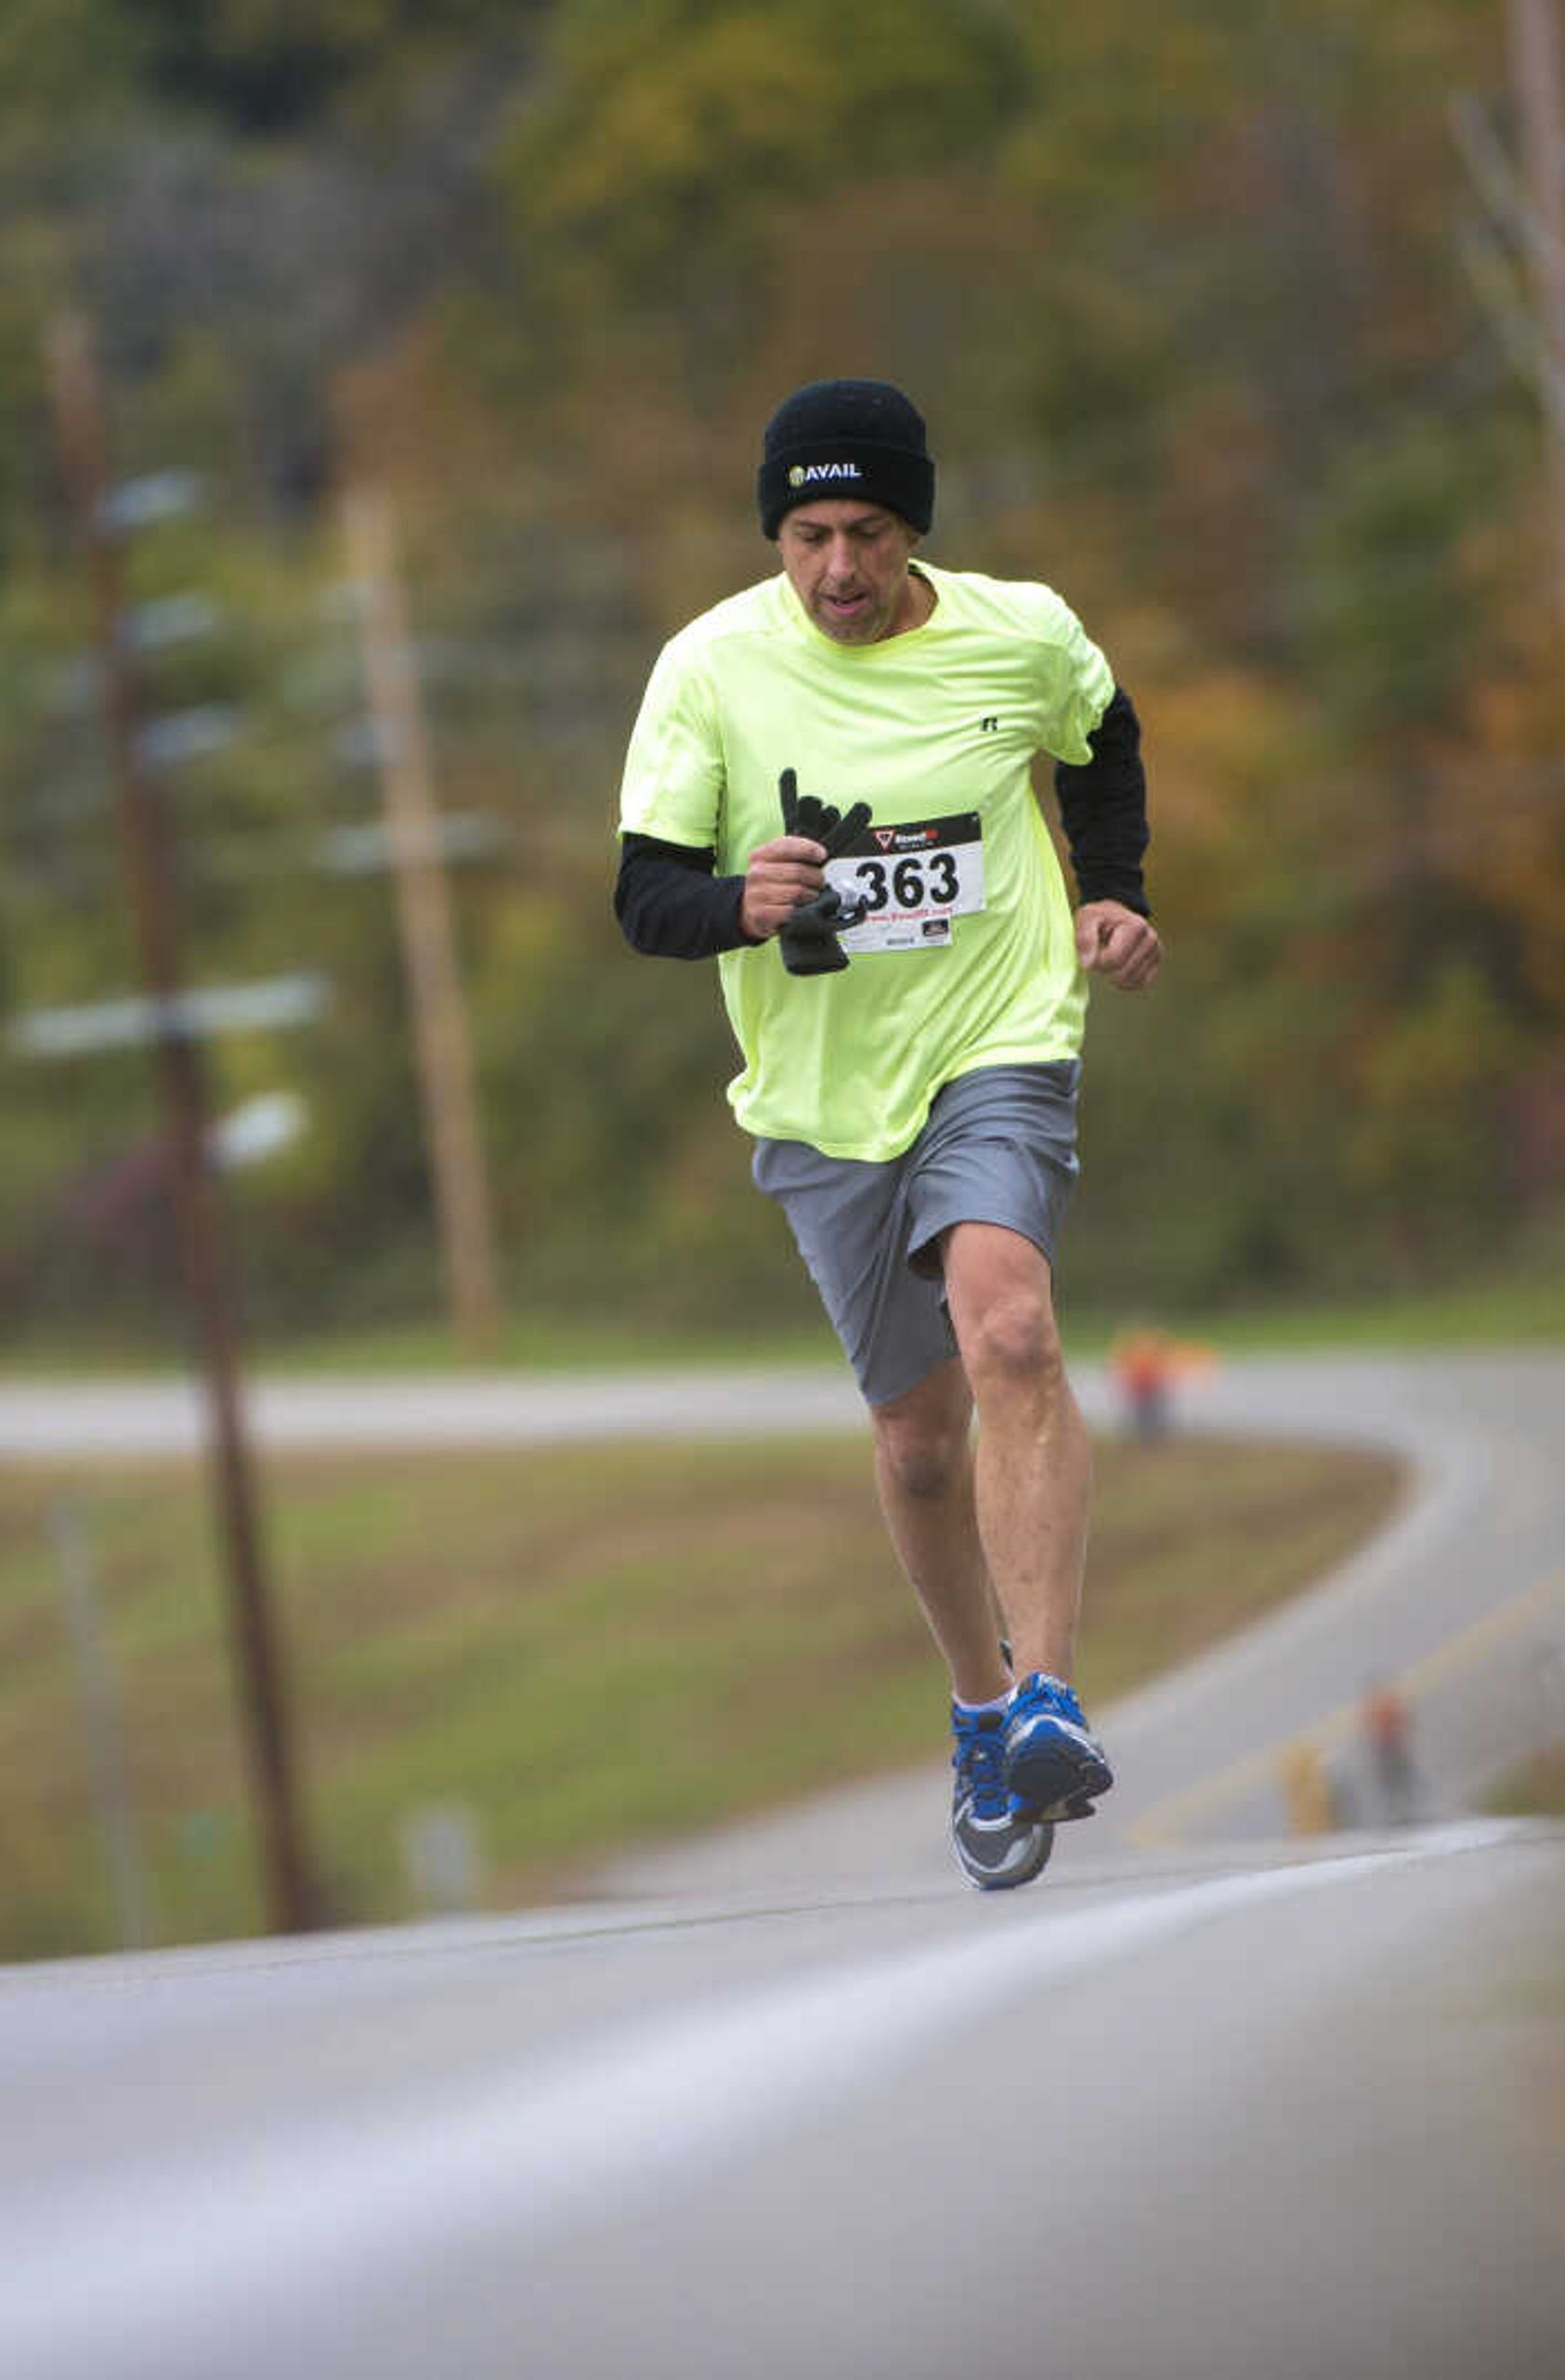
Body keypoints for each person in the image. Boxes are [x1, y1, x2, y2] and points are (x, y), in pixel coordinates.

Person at [611, 378, 1162, 1891]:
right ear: (774, 536)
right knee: (920, 1444)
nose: (836, 570)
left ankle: (1049, 1694)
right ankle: (981, 1712)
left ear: (914, 527)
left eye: (863, 533)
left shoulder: (1020, 632)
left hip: (1000, 1039)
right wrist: (743, 902)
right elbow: (644, 895)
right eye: (805, 536)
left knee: (1016, 1332)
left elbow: (1102, 736)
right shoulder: (709, 670)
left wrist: (1111, 889)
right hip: (820, 1099)